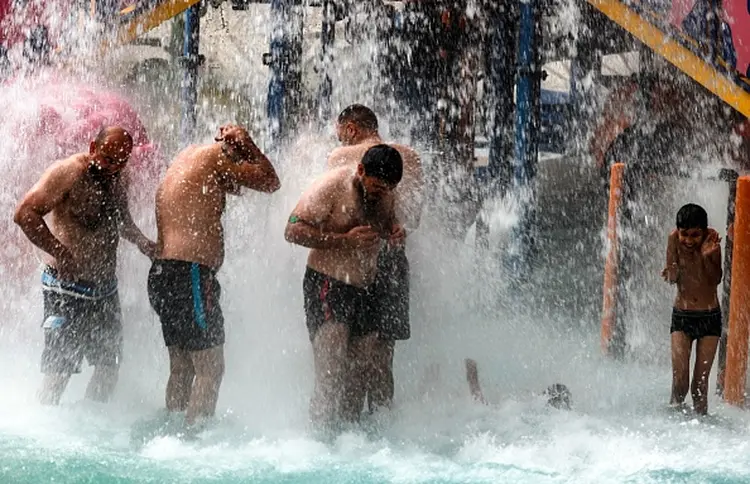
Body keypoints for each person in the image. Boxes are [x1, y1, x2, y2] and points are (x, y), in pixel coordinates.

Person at [147, 124, 280, 426]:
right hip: (190, 274)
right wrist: (250, 146)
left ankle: (172, 440)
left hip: (165, 273)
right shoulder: (215, 157)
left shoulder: (185, 162)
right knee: (211, 369)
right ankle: (195, 446)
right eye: (240, 160)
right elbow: (271, 181)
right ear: (233, 150)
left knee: (182, 368)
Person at [14, 126, 156, 405]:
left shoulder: (118, 176)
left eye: (121, 161)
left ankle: (92, 431)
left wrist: (143, 243)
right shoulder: (68, 172)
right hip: (66, 289)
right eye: (108, 159)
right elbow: (24, 214)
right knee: (59, 372)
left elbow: (121, 219)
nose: (113, 167)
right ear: (93, 148)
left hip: (104, 291)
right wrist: (60, 252)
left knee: (108, 367)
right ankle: (47, 431)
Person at [285, 144, 404, 429]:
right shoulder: (331, 185)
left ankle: (350, 448)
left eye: (387, 190)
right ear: (361, 170)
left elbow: (387, 221)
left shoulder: (386, 189)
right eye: (376, 187)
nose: (381, 193)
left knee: (359, 373)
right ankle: (319, 443)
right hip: (329, 283)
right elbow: (292, 229)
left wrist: (396, 230)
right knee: (331, 370)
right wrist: (345, 240)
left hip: (368, 287)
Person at [327, 104, 423, 413]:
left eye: (340, 134)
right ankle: (383, 425)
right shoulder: (409, 157)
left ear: (351, 129)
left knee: (353, 355)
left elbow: (334, 213)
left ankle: (350, 429)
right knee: (383, 356)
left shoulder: (340, 158)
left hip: (356, 263)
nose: (340, 140)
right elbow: (414, 220)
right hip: (394, 262)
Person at [661, 203, 722, 415]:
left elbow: (716, 279)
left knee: (699, 386)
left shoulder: (712, 242)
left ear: (704, 232)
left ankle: (702, 431)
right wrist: (670, 271)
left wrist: (708, 257)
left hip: (709, 317)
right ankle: (671, 424)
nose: (688, 240)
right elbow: (673, 278)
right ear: (678, 231)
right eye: (684, 234)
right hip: (682, 317)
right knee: (680, 383)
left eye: (695, 235)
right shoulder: (673, 239)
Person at [464, 359, 572, 410]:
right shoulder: (573, 426)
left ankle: (473, 376)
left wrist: (473, 379)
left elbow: (486, 411)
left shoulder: (530, 409)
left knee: (484, 408)